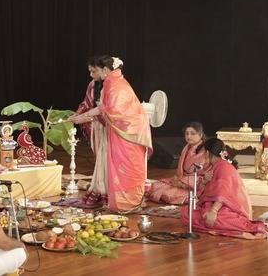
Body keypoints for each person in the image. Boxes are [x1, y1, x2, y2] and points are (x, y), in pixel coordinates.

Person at [70, 56, 152, 213]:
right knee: (121, 166)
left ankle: (127, 204)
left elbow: (106, 109)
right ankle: (123, 203)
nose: (94, 74)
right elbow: (105, 108)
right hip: (123, 131)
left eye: (96, 71)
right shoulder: (115, 82)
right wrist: (82, 116)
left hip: (127, 132)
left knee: (125, 166)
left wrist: (81, 118)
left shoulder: (114, 84)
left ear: (105, 70)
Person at [181, 138, 268, 239]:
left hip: (229, 208)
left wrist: (213, 211)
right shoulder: (214, 166)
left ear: (207, 153)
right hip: (213, 206)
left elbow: (223, 193)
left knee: (212, 219)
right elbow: (204, 192)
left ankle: (248, 228)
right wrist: (204, 181)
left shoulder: (224, 167)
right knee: (186, 213)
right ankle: (221, 226)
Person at [69, 57, 107, 206]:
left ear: (103, 69)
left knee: (106, 158)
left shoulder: (111, 87)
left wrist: (85, 118)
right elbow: (86, 103)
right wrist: (77, 114)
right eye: (89, 71)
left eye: (93, 71)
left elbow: (106, 110)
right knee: (99, 158)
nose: (91, 75)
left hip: (108, 126)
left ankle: (107, 191)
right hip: (97, 127)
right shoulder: (92, 85)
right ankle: (99, 186)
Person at [147, 122, 212, 204]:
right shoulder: (187, 147)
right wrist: (178, 179)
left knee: (168, 194)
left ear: (200, 135)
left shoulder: (205, 151)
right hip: (183, 179)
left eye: (192, 134)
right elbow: (182, 170)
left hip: (197, 183)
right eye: (187, 134)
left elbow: (202, 175)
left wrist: (182, 183)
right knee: (155, 186)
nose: (189, 136)